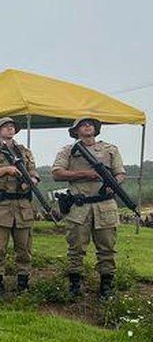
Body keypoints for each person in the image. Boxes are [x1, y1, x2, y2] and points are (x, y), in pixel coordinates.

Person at [52, 117, 125, 299]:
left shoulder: (110, 149)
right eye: (83, 125)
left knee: (107, 248)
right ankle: (75, 284)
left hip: (105, 204)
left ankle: (106, 286)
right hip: (80, 205)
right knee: (75, 248)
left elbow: (120, 173)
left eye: (91, 124)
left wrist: (113, 183)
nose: (88, 126)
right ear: (76, 130)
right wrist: (85, 174)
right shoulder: (68, 150)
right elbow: (57, 173)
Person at [0, 117, 40, 300]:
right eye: (5, 127)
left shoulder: (24, 152)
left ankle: (23, 286)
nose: (10, 129)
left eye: (12, 127)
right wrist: (5, 170)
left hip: (23, 206)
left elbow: (34, 172)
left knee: (24, 248)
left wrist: (31, 181)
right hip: (1, 206)